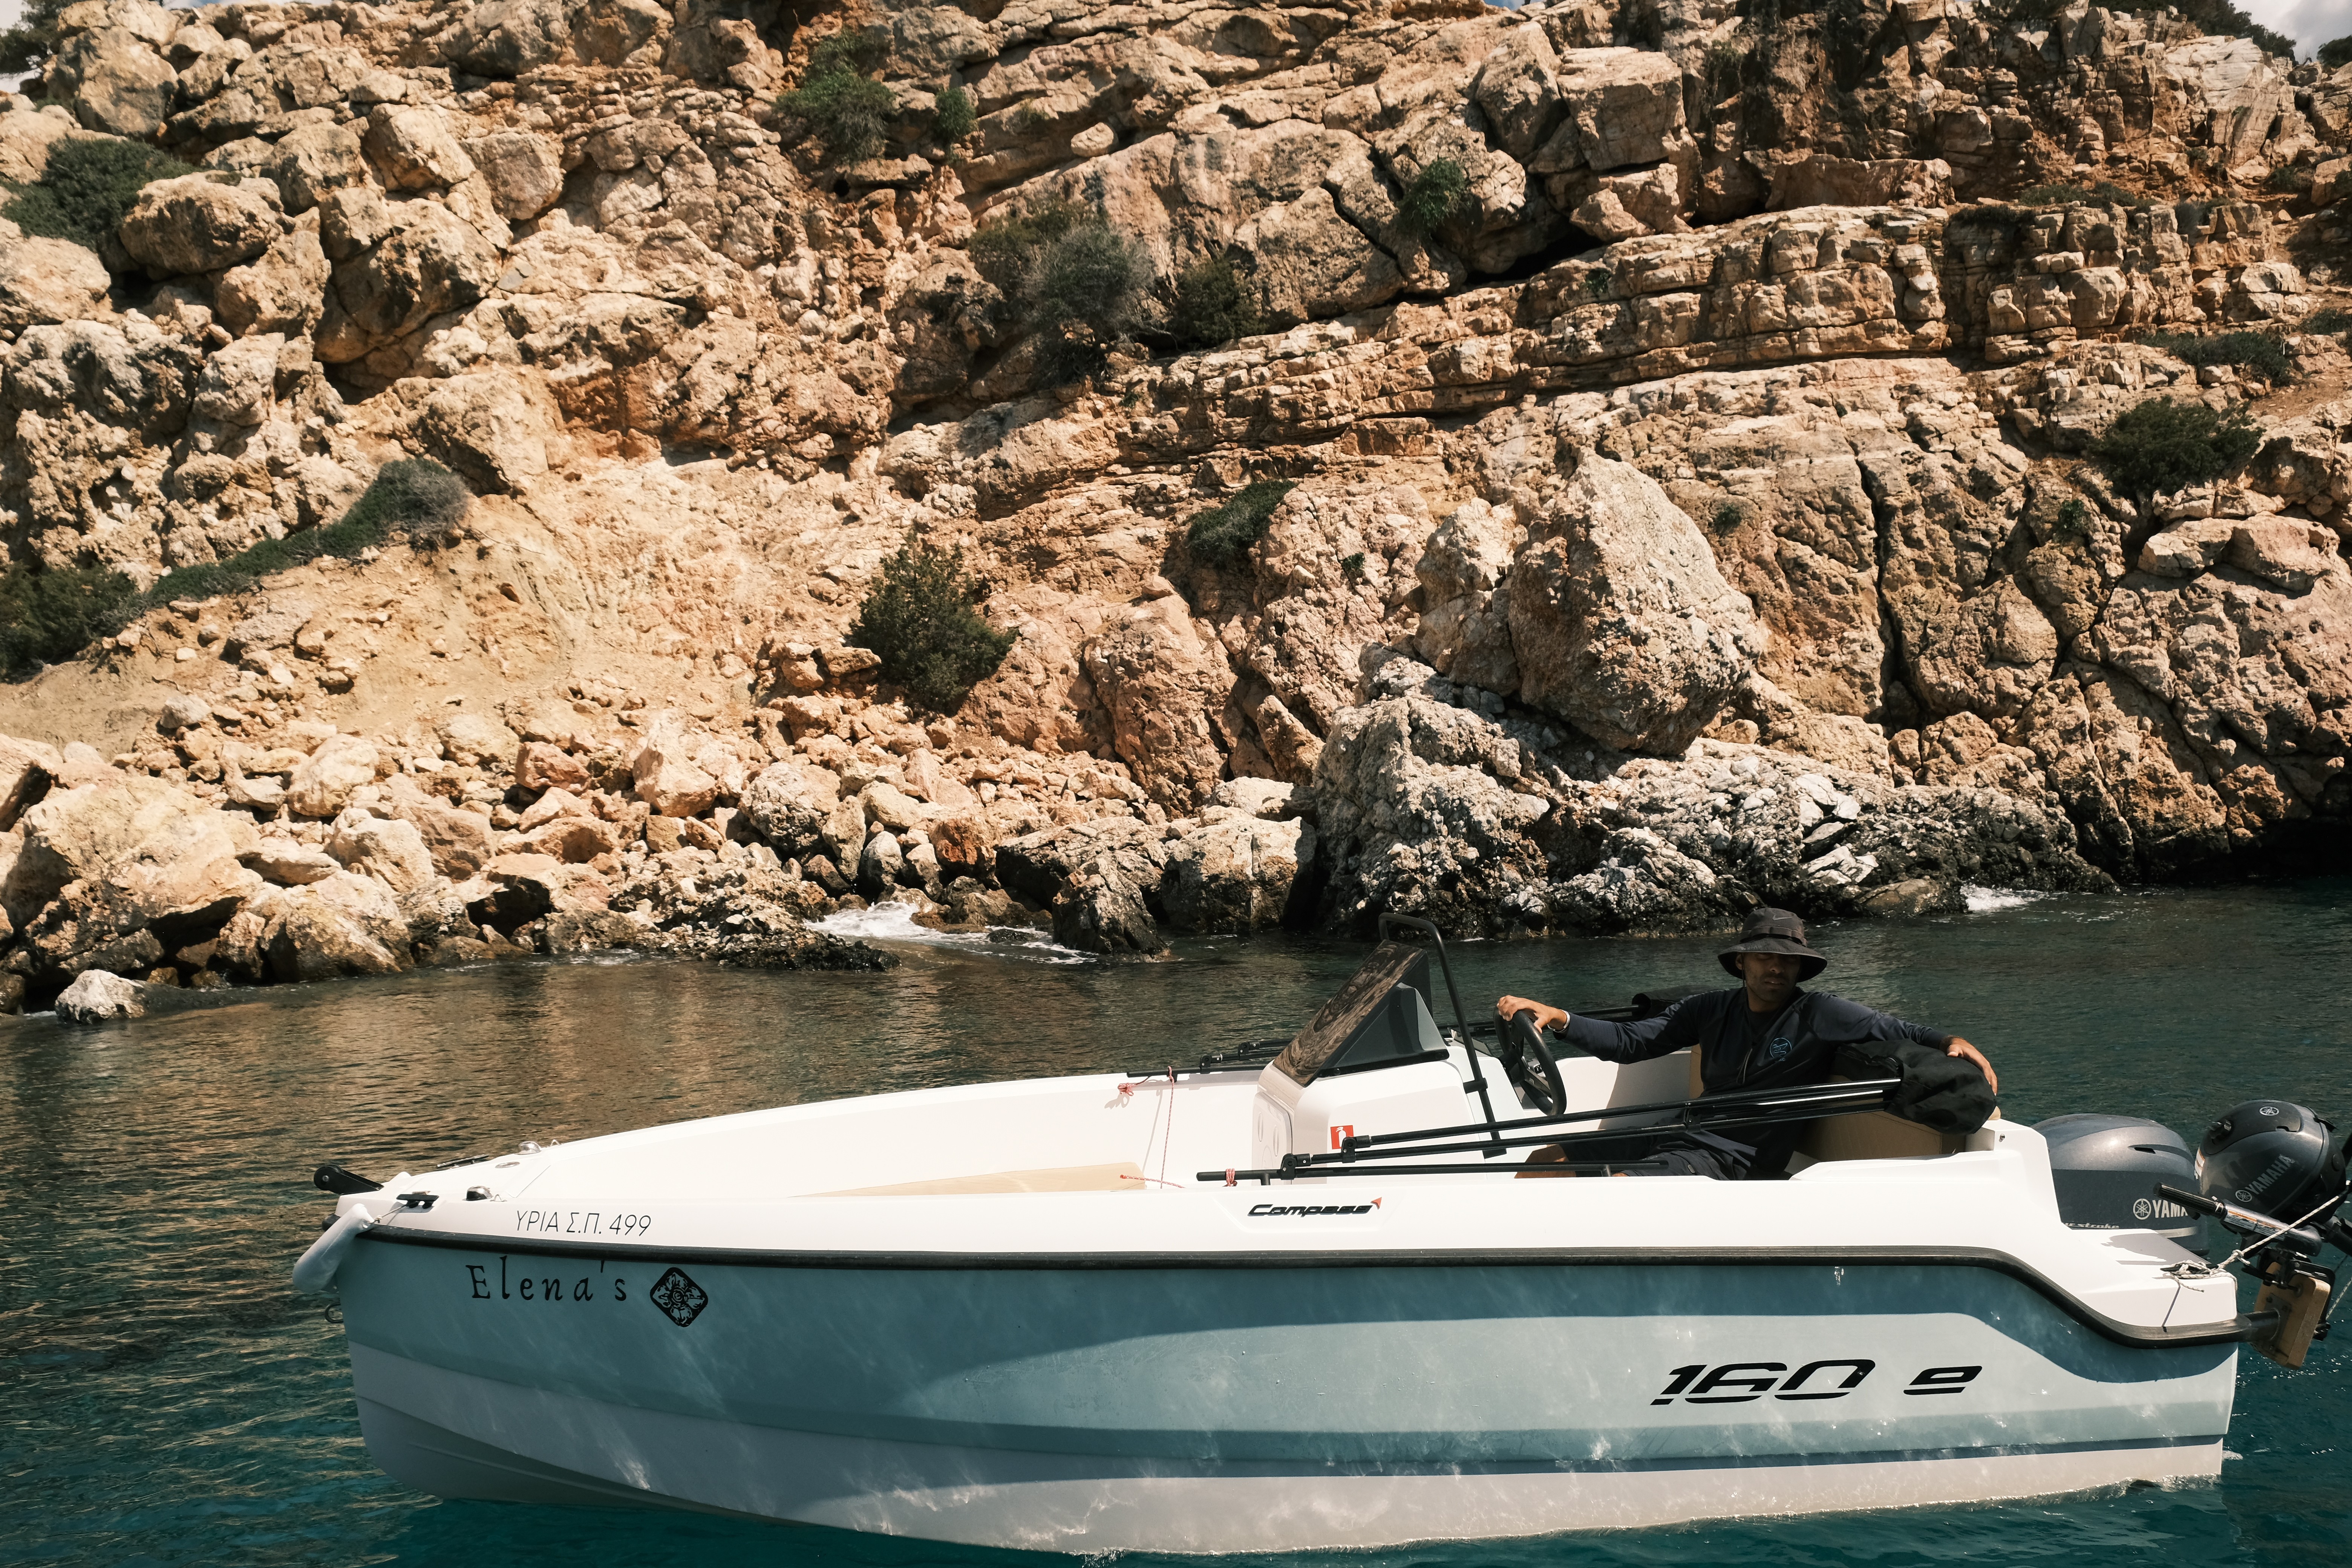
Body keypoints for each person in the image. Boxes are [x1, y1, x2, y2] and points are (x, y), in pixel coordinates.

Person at [1496, 906, 1997, 1180]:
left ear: (1801, 966)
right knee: (1547, 1159)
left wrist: (1951, 1040)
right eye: (1763, 958)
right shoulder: (1710, 1009)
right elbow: (1631, 1043)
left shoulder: (1820, 1014)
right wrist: (1559, 1017)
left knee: (1621, 1189)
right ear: (1741, 963)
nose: (1775, 968)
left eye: (1786, 960)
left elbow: (1896, 1029)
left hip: (1736, 1159)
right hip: (1682, 1132)